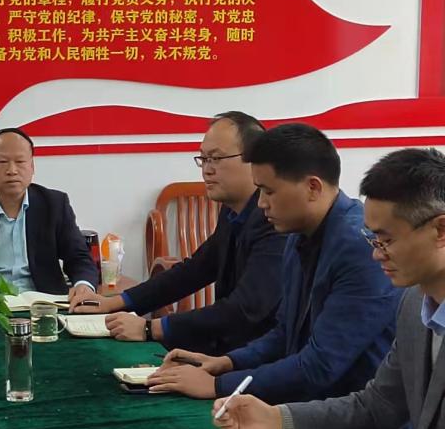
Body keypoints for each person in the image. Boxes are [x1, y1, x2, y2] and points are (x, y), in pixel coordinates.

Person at [212, 148, 445, 429]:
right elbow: (376, 407)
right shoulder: (416, 303)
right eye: (372, 239)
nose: (376, 255)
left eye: (386, 240)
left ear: (440, 230)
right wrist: (277, 418)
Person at [147, 124, 401, 404]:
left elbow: (320, 366)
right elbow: (284, 334)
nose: (261, 204)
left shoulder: (361, 248)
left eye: (268, 192)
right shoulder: (297, 233)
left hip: (353, 417)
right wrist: (227, 362)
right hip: (309, 405)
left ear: (312, 187)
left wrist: (218, 385)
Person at [73, 112, 285, 354]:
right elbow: (195, 270)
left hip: (258, 357)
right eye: (203, 159)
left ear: (254, 161)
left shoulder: (276, 220)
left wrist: (150, 328)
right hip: (226, 347)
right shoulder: (233, 210)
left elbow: (244, 310)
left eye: (216, 158)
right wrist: (116, 302)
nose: (207, 170)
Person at [0, 128, 99, 305]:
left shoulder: (55, 205)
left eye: (20, 161)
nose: (12, 170)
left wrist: (83, 285)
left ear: (32, 166)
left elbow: (78, 257)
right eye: (2, 162)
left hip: (45, 305)